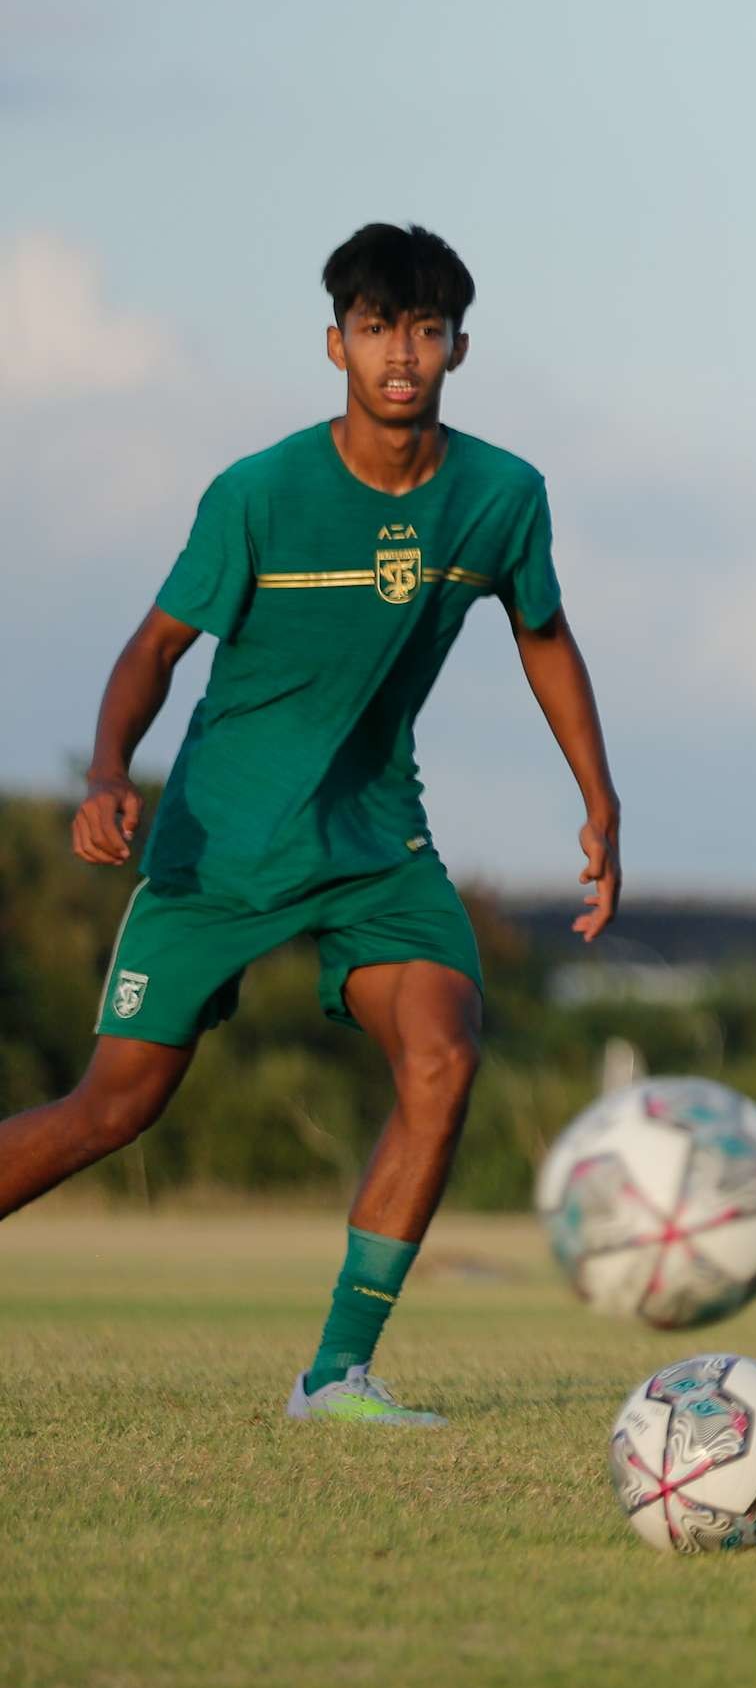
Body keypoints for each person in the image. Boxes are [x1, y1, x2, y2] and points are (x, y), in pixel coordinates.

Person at [0, 224, 621, 1426]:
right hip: (221, 847)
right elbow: (155, 646)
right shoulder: (258, 494)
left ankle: (334, 1373)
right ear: (335, 341)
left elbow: (544, 635)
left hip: (377, 844)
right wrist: (105, 771)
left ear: (459, 349)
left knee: (443, 1056)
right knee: (114, 1107)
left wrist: (598, 795)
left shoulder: (503, 496)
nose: (403, 354)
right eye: (380, 327)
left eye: (427, 331)